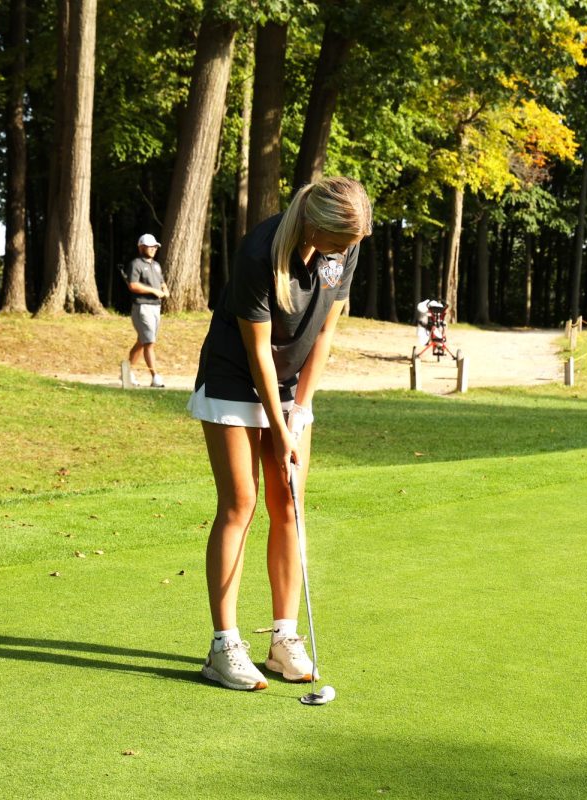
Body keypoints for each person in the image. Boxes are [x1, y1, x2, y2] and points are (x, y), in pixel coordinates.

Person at [186, 176, 372, 691]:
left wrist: (301, 410)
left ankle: (284, 639)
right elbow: (257, 353)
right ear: (313, 225)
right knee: (240, 502)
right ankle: (224, 646)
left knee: (288, 503)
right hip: (234, 378)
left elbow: (327, 331)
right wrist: (278, 420)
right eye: (338, 242)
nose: (345, 252)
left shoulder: (344, 249)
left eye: (351, 245)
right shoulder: (259, 254)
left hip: (291, 384)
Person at [126, 233, 169, 387]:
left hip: (156, 308)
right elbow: (133, 285)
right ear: (141, 247)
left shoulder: (156, 265)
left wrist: (164, 289)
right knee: (149, 342)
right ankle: (155, 377)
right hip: (142, 307)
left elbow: (162, 282)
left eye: (155, 246)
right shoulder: (136, 264)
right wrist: (153, 291)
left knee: (143, 341)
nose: (153, 249)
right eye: (150, 246)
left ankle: (126, 372)